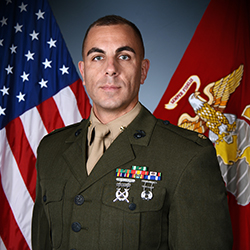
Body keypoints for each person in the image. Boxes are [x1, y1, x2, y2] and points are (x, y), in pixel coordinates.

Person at [32, 15, 233, 249]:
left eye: (124, 56)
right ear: (83, 72)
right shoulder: (51, 149)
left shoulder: (187, 156)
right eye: (98, 57)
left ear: (143, 70)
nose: (110, 69)